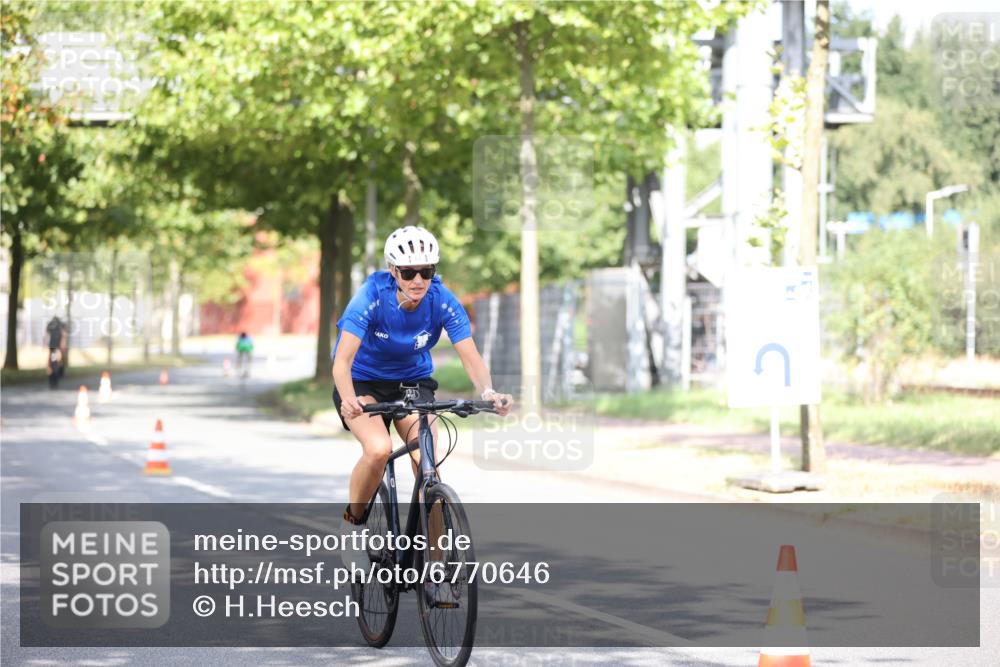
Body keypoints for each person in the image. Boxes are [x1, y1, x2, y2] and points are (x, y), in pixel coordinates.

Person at [332, 225, 513, 533]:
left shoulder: (441, 299)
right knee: (378, 449)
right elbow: (342, 362)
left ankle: (435, 569)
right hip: (363, 382)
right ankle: (354, 525)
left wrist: (489, 391)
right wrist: (349, 399)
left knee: (426, 461)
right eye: (408, 272)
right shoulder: (372, 296)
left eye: (426, 271)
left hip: (413, 383)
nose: (418, 280)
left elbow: (471, 356)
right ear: (393, 270)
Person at [45, 317, 66, 389]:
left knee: (52, 364)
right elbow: (63, 336)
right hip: (56, 348)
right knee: (55, 364)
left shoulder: (50, 325)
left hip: (53, 348)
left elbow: (47, 335)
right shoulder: (60, 325)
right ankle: (54, 381)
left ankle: (52, 381)